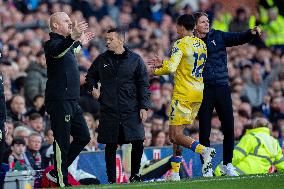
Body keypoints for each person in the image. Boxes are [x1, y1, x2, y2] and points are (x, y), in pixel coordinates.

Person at [193, 12, 261, 176]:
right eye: (202, 22)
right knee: (205, 129)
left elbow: (237, 38)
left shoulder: (218, 35)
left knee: (229, 126)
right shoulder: (190, 43)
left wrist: (250, 33)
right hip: (203, 89)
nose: (206, 24)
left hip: (222, 87)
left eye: (207, 21)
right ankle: (207, 167)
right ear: (195, 26)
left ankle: (227, 164)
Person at [148, 14, 216, 179]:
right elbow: (184, 64)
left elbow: (172, 68)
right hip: (198, 93)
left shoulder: (179, 43)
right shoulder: (201, 44)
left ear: (180, 27)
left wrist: (155, 71)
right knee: (178, 133)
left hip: (183, 93)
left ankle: (204, 151)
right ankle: (176, 173)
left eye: (176, 26)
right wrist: (164, 62)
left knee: (174, 135)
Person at [85, 28, 150, 183]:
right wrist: (92, 89)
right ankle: (112, 180)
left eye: (110, 39)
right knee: (110, 145)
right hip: (109, 109)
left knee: (138, 141)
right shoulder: (101, 59)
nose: (107, 42)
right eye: (106, 39)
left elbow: (144, 84)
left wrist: (144, 106)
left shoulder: (135, 59)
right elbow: (90, 77)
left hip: (131, 109)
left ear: (121, 40)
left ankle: (135, 174)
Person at [44, 12, 94, 187]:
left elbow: (71, 48)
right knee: (62, 141)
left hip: (72, 100)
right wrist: (73, 38)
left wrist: (80, 42)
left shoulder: (67, 46)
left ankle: (55, 171)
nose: (70, 23)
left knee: (84, 137)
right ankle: (61, 180)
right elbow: (59, 52)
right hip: (59, 100)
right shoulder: (51, 45)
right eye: (66, 21)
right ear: (56, 25)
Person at [215, 117, 284, 175]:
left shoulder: (251, 137)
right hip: (260, 176)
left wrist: (219, 170)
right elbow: (281, 163)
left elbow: (236, 155)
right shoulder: (274, 142)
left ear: (254, 126)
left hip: (241, 173)